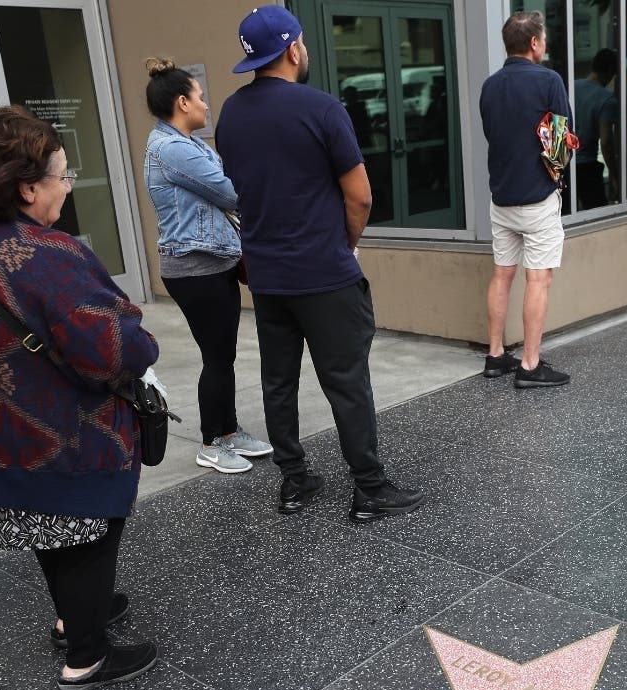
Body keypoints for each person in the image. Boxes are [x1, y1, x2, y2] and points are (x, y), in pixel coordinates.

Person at [0, 106, 159, 690]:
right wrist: (140, 332)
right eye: (62, 172)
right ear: (28, 186)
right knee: (87, 533)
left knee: (46, 528)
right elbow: (116, 351)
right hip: (66, 435)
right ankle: (86, 658)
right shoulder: (48, 254)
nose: (69, 183)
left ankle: (73, 614)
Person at [216, 6, 424, 523]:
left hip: (267, 275)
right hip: (323, 272)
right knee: (346, 379)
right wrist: (343, 244)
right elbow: (360, 198)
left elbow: (242, 191)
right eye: (303, 42)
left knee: (278, 381)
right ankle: (369, 488)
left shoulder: (231, 115)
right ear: (292, 49)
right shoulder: (322, 108)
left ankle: (294, 481)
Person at [142, 58, 272, 475]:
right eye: (200, 97)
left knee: (222, 354)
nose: (205, 105)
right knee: (217, 355)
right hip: (195, 268)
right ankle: (211, 442)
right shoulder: (174, 148)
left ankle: (228, 431)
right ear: (182, 102)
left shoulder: (184, 142)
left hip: (207, 263)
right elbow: (231, 192)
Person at [479, 10, 572, 387]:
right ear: (534, 43)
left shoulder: (490, 85)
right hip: (537, 197)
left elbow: (492, 134)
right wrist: (556, 176)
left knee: (502, 274)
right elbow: (561, 140)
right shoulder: (548, 80)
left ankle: (496, 355)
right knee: (538, 279)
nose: (545, 44)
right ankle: (530, 366)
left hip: (501, 196)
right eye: (544, 38)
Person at [573, 48, 619, 209]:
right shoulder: (607, 100)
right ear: (609, 71)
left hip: (561, 164)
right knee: (596, 215)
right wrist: (614, 175)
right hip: (587, 168)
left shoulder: (570, 88)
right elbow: (606, 141)